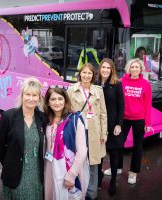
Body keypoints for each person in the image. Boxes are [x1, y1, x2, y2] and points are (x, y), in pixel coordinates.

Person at [0, 77, 46, 200]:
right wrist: (9, 163)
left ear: (39, 98)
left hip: (36, 173)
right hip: (15, 172)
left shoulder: (42, 118)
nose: (30, 98)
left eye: (35, 95)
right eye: (27, 94)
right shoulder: (8, 116)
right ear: (22, 95)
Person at [67, 63, 107, 200]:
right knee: (76, 162)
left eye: (89, 73)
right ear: (80, 74)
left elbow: (103, 113)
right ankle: (77, 192)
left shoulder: (98, 90)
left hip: (94, 133)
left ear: (93, 75)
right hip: (77, 132)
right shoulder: (72, 90)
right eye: (84, 72)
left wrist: (104, 134)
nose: (86, 75)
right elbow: (66, 112)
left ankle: (91, 194)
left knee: (93, 164)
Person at [43, 85, 89, 200]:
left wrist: (71, 175)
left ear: (65, 100)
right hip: (51, 168)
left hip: (68, 170)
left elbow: (82, 151)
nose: (57, 102)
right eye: (53, 99)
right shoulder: (46, 121)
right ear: (48, 102)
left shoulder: (75, 120)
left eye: (60, 99)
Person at [121, 58, 152, 184]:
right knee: (118, 144)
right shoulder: (122, 81)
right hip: (123, 118)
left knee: (137, 147)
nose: (134, 69)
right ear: (129, 68)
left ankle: (133, 172)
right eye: (132, 67)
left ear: (141, 69)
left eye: (137, 67)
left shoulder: (146, 84)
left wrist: (148, 123)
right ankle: (116, 167)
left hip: (139, 119)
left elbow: (147, 104)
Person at [96, 58, 124, 196]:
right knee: (99, 154)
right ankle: (99, 177)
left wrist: (119, 124)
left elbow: (121, 106)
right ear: (100, 69)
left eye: (108, 68)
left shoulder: (117, 84)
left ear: (112, 69)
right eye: (103, 67)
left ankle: (113, 180)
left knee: (113, 153)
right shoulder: (95, 84)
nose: (106, 70)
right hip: (99, 124)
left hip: (113, 124)